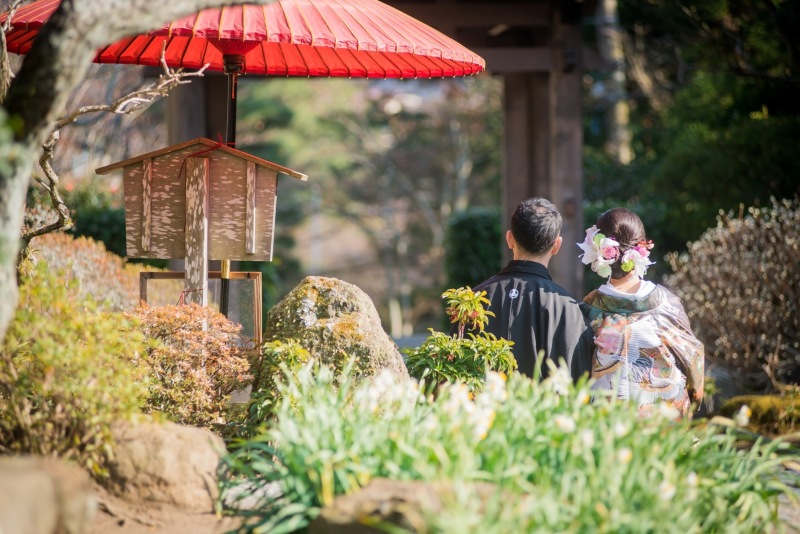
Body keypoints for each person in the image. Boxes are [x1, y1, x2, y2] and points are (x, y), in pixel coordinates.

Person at [578, 207, 704, 417]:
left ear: (598, 250)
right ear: (642, 248)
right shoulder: (667, 305)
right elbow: (693, 360)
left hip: (607, 430)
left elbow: (577, 376)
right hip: (663, 427)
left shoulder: (589, 310)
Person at [471, 197, 593, 381]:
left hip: (481, 409)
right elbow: (577, 382)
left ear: (510, 239)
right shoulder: (567, 307)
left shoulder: (472, 300)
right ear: (556, 245)